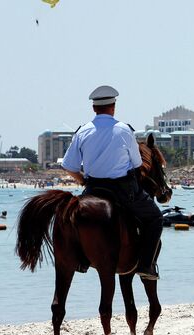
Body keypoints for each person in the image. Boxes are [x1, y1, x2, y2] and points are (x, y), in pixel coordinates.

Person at [62, 85, 163, 280]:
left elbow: (69, 166)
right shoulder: (124, 130)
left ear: (94, 108)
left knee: (73, 220)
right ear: (113, 107)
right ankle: (145, 265)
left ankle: (81, 259)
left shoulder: (82, 131)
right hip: (122, 190)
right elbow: (137, 163)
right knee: (155, 218)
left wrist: (83, 181)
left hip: (92, 189)